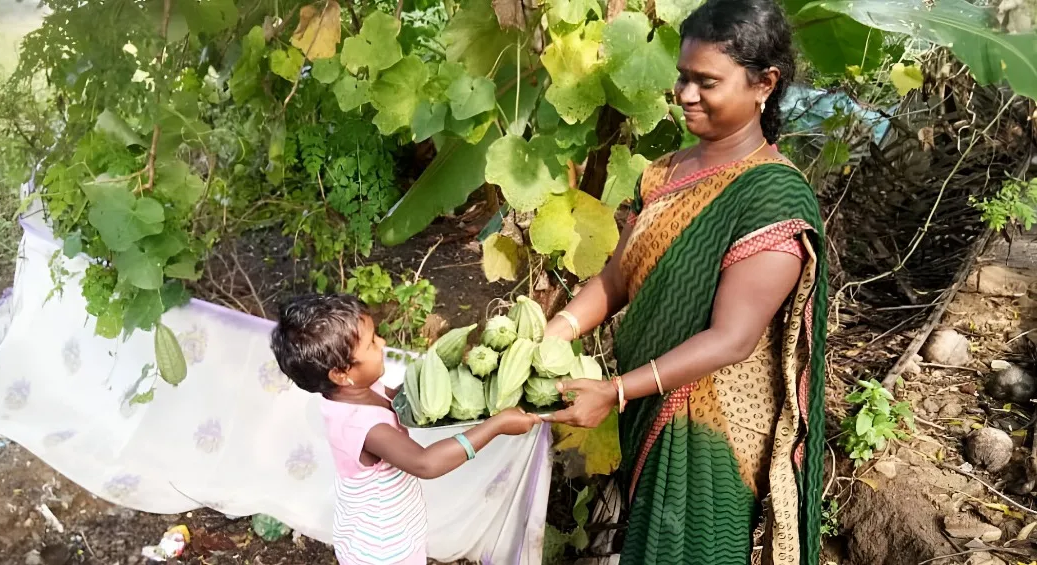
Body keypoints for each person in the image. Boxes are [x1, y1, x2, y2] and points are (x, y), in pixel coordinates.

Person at [541, 1, 826, 564]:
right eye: (683, 76)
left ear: (763, 84)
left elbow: (731, 339)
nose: (686, 93)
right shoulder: (666, 171)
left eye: (707, 82)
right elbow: (618, 275)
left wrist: (617, 390)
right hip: (651, 402)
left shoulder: (772, 195)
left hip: (708, 426)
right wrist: (557, 330)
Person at [270, 294, 541, 565]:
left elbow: (405, 397)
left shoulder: (357, 391)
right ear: (341, 374)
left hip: (384, 527)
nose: (383, 343)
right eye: (372, 344)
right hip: (382, 550)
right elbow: (425, 464)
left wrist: (458, 375)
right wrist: (495, 425)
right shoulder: (364, 426)